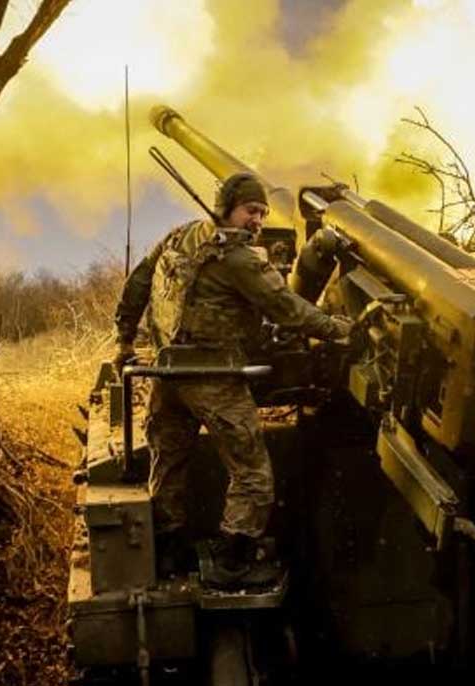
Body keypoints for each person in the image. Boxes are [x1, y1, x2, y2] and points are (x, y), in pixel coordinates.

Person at [113, 172, 351, 588]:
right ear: (226, 208)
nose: (257, 221)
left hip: (166, 373)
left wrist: (124, 339)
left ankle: (169, 547)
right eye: (250, 211)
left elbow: (138, 282)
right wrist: (337, 329)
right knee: (253, 473)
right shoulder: (239, 259)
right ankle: (234, 555)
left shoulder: (179, 237)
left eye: (262, 212)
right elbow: (285, 308)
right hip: (214, 378)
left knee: (169, 462)